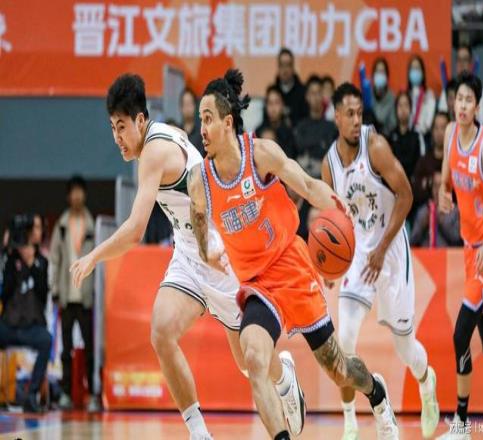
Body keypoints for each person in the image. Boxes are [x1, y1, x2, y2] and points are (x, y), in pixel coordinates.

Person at [69, 74, 303, 439]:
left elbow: (135, 230)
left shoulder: (153, 152)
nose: (116, 137)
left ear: (141, 121)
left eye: (122, 126)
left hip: (219, 253)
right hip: (189, 254)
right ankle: (199, 433)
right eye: (112, 128)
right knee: (161, 331)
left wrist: (93, 256)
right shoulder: (164, 134)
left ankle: (285, 379)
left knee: (248, 362)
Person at [188, 69, 399, 440]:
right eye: (199, 121)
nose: (201, 129)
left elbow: (307, 185)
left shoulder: (261, 154)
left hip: (291, 266)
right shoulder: (199, 180)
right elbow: (198, 215)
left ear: (227, 122)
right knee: (254, 358)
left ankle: (377, 394)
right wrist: (206, 251)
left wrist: (340, 211)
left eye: (208, 120)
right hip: (257, 284)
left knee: (338, 369)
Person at [322, 82, 439, 440]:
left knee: (405, 348)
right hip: (359, 254)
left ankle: (426, 381)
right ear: (337, 116)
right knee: (344, 341)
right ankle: (350, 421)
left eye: (360, 113)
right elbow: (334, 218)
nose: (357, 120)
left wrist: (382, 247)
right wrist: (330, 265)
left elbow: (406, 195)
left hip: (391, 251)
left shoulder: (375, 147)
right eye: (350, 114)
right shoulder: (329, 165)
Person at [437, 72, 483, 439]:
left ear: (477, 107)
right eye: (458, 98)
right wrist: (443, 194)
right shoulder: (449, 134)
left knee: (460, 335)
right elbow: (446, 181)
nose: (461, 105)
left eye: (468, 101)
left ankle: (461, 425)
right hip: (468, 250)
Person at [49, 175, 99, 412]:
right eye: (73, 192)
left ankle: (92, 394)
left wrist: (96, 290)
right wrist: (55, 289)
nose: (77, 196)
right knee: (65, 349)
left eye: (80, 191)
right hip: (67, 296)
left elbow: (99, 261)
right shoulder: (61, 226)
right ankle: (66, 393)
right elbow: (54, 260)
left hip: (86, 297)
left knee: (89, 348)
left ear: (84, 195)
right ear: (69, 196)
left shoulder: (92, 226)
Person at [0, 215, 51, 413]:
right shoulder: (10, 260)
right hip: (10, 325)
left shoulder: (42, 262)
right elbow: (5, 293)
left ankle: (32, 394)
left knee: (46, 340)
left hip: (32, 327)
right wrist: (7, 254)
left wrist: (30, 264)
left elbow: (43, 294)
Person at [295, 75, 338, 179]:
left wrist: (310, 146)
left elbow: (332, 154)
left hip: (325, 178)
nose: (315, 97)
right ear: (307, 97)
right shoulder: (300, 126)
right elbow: (299, 149)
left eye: (318, 93)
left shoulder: (331, 127)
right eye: (312, 93)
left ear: (323, 95)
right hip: (304, 177)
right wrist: (320, 144)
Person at [438, 44, 483, 124]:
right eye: (459, 59)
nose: (461, 63)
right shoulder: (448, 88)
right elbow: (441, 120)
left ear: (470, 63)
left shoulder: (479, 89)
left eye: (465, 59)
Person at [410, 172, 462, 247]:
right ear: (432, 188)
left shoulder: (454, 211)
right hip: (425, 253)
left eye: (441, 186)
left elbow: (457, 239)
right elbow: (412, 240)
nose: (438, 190)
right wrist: (422, 225)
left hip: (447, 253)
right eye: (435, 186)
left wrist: (440, 220)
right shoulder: (424, 210)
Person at [412, 112, 450, 210]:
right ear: (432, 131)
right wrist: (430, 182)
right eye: (436, 128)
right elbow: (415, 190)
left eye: (443, 128)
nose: (439, 132)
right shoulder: (424, 161)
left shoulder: (453, 161)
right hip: (427, 210)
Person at [256, 85, 297, 159]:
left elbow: (290, 159)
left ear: (282, 105)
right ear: (266, 106)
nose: (273, 108)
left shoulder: (289, 132)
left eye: (276, 103)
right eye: (270, 103)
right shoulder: (259, 131)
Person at [389, 91, 421, 183]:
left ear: (411, 109)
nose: (403, 109)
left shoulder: (416, 136)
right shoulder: (391, 136)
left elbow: (418, 163)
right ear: (396, 109)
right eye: (400, 105)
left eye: (406, 105)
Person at [273, 47, 308, 125]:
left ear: (293, 67)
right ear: (278, 67)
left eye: (288, 65)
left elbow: (306, 120)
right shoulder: (273, 92)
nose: (285, 70)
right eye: (282, 65)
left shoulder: (303, 93)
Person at [407, 55, 436, 145]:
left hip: (423, 138)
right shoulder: (406, 95)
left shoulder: (429, 95)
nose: (415, 71)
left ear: (423, 72)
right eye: (413, 69)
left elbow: (428, 123)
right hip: (407, 136)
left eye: (417, 68)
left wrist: (418, 131)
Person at [371, 57, 397, 137]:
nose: (380, 75)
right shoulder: (367, 96)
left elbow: (393, 123)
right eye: (377, 72)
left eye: (382, 72)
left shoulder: (392, 97)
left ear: (387, 76)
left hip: (386, 138)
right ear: (373, 75)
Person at [180, 88, 204, 156]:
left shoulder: (202, 133)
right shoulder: (177, 133)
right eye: (185, 104)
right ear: (181, 107)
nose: (187, 108)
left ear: (195, 106)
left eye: (190, 104)